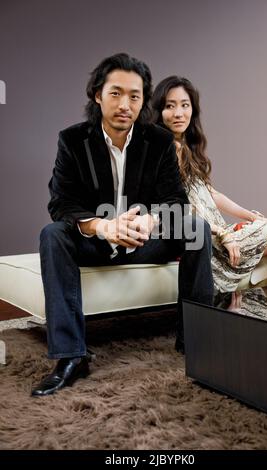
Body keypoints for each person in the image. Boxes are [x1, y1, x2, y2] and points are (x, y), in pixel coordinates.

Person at [31, 54, 214, 397]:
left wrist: (150, 220)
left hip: (145, 239)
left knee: (196, 229)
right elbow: (61, 203)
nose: (125, 104)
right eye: (116, 93)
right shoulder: (72, 140)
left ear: (143, 100)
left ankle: (196, 340)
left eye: (135, 95)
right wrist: (103, 227)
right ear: (98, 95)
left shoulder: (157, 141)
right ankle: (71, 357)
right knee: (52, 234)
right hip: (96, 241)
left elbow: (176, 199)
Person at [152, 76, 267, 303]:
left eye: (185, 105)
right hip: (209, 243)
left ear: (193, 109)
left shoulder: (186, 148)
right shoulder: (167, 149)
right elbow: (176, 210)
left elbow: (211, 194)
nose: (179, 113)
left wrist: (249, 215)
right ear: (159, 111)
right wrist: (222, 233)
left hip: (219, 232)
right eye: (170, 106)